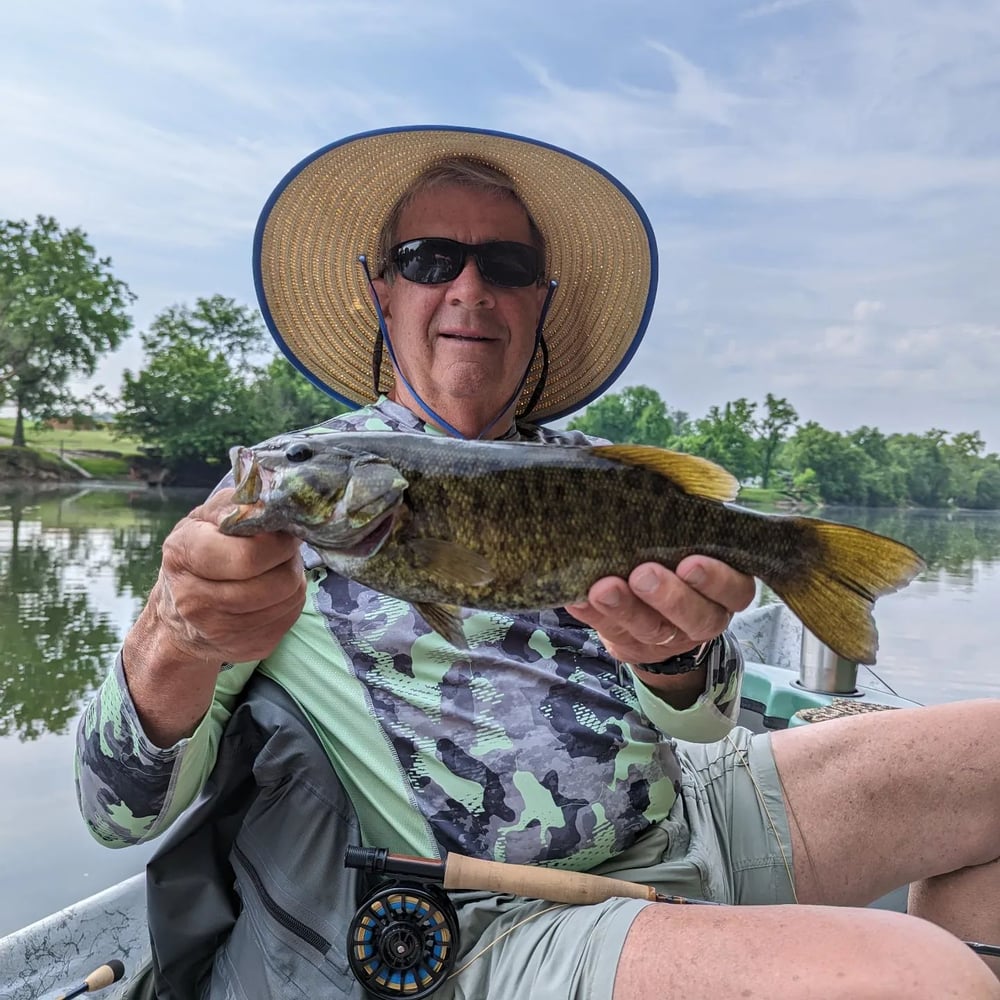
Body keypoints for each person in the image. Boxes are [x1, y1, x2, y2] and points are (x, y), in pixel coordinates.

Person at [76, 125, 1000, 999]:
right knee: (920, 980)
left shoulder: (596, 470)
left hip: (688, 815)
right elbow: (115, 814)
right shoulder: (286, 493)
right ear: (379, 289)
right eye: (430, 259)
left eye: (506, 265)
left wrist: (676, 658)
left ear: (539, 298)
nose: (470, 288)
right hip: (485, 916)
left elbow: (712, 725)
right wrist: (176, 635)